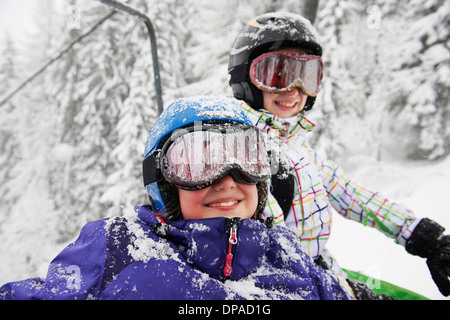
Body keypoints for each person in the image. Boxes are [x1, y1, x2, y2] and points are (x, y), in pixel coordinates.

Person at [0, 96, 352, 300]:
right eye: (198, 163)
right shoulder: (118, 249)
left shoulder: (285, 253)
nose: (228, 180)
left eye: (247, 158)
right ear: (163, 182)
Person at [228, 12, 450, 298]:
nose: (295, 90)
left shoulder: (295, 146)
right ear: (245, 79)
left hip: (323, 272)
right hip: (290, 289)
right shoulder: (243, 152)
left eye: (307, 76)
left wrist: (423, 236)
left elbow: (351, 194)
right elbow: (274, 253)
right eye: (277, 74)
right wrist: (341, 291)